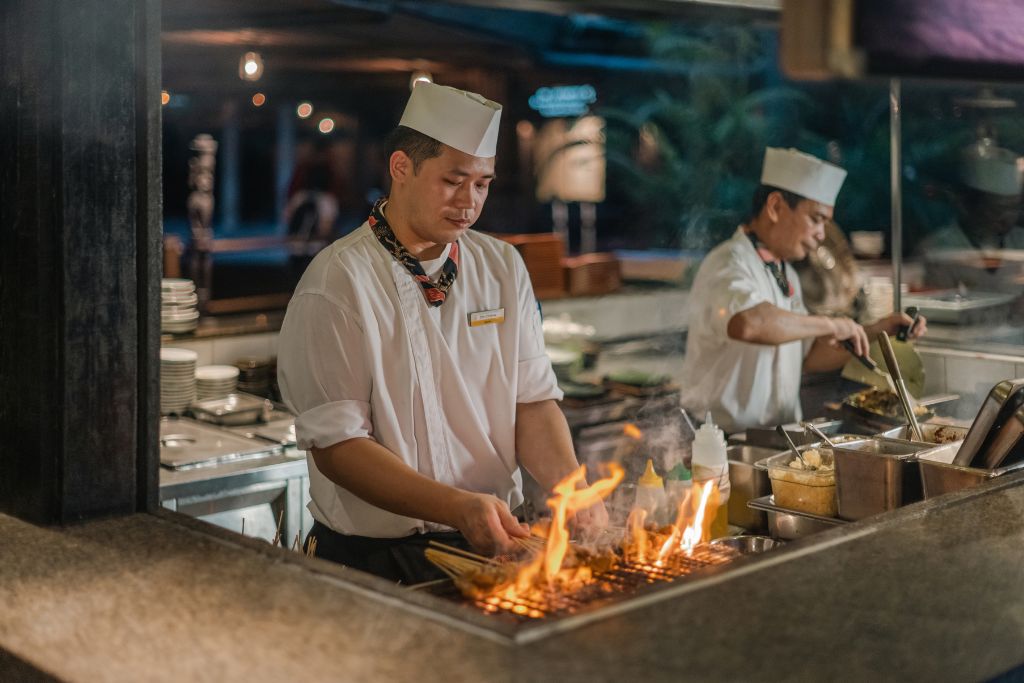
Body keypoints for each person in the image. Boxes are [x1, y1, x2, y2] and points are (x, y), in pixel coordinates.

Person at [277, 82, 604, 584]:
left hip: (497, 548)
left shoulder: (502, 267)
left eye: (482, 184)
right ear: (401, 167)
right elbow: (338, 448)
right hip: (374, 561)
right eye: (453, 181)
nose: (469, 202)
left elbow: (533, 402)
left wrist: (571, 487)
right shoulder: (337, 282)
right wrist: (456, 507)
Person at [680, 148, 926, 433]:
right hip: (720, 441)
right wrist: (831, 324)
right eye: (816, 219)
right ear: (775, 207)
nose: (822, 234)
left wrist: (876, 330)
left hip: (780, 438)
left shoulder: (786, 274)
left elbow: (808, 358)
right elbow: (749, 323)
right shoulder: (728, 263)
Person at [917, 143, 1024, 293]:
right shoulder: (938, 248)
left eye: (1013, 207)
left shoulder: (1020, 241)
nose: (1007, 216)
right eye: (997, 208)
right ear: (969, 206)